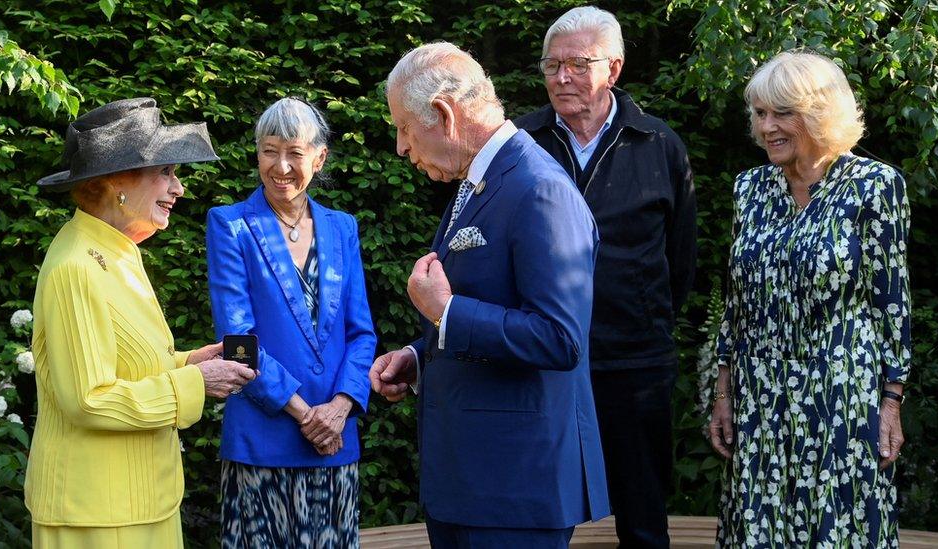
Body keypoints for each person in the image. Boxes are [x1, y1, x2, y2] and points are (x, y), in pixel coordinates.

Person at [370, 42, 610, 548]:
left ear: (443, 115)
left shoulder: (540, 189)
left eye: (404, 128)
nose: (400, 147)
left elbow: (560, 339)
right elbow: (492, 302)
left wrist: (447, 313)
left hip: (514, 489)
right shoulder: (479, 181)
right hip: (472, 484)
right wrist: (419, 354)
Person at [26, 98, 256, 548]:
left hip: (138, 504)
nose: (179, 188)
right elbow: (90, 400)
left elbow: (129, 365)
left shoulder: (115, 251)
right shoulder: (75, 265)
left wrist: (191, 361)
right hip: (96, 517)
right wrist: (195, 383)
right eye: (166, 172)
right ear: (117, 183)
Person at [709, 50, 910, 547]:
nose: (767, 127)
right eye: (760, 114)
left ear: (819, 115)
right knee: (758, 526)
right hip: (760, 396)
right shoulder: (750, 188)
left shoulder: (875, 187)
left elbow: (893, 303)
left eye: (783, 113)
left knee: (839, 527)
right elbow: (736, 302)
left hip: (841, 395)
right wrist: (722, 392)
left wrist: (891, 402)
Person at [514, 7, 696, 547]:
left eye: (577, 64)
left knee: (642, 513)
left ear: (613, 69)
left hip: (633, 362)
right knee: (537, 510)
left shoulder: (658, 145)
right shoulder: (519, 144)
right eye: (552, 65)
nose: (562, 77)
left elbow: (679, 263)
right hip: (539, 359)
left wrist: (643, 319)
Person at [206, 97, 377, 548]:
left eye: (294, 153)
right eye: (268, 150)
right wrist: (307, 416)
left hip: (335, 445)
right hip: (262, 445)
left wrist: (338, 410)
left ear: (318, 159)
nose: (280, 166)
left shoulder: (343, 227)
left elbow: (361, 333)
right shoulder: (230, 225)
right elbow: (237, 343)